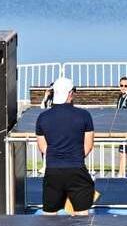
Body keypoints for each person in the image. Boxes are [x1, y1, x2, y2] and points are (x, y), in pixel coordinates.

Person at [35, 77, 95, 216]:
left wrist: (57, 156)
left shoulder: (43, 117)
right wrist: (75, 156)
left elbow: (43, 147)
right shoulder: (84, 115)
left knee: (49, 215)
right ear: (70, 93)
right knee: (82, 216)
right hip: (77, 168)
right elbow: (88, 145)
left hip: (52, 170)